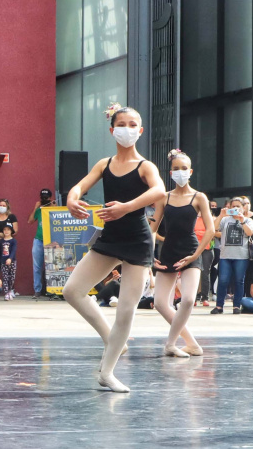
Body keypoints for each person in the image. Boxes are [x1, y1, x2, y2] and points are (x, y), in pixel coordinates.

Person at [62, 102, 165, 393]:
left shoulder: (145, 166)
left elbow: (159, 190)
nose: (128, 130)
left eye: (133, 125)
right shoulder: (104, 164)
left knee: (126, 310)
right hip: (110, 238)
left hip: (138, 239)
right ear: (112, 130)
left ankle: (106, 372)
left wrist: (127, 208)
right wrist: (72, 199)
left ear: (141, 130)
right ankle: (111, 340)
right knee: (72, 290)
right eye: (122, 125)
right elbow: (79, 187)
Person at [148, 149, 213, 357]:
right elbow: (152, 228)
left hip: (190, 251)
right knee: (159, 303)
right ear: (170, 173)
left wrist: (195, 256)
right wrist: (149, 254)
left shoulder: (199, 197)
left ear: (191, 171)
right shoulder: (163, 197)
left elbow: (210, 230)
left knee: (186, 300)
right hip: (167, 251)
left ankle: (170, 343)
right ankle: (191, 343)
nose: (180, 172)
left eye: (184, 168)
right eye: (176, 169)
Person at [212, 198, 253, 315]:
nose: (236, 208)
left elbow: (250, 233)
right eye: (233, 206)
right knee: (223, 280)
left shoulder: (248, 220)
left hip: (241, 256)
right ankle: (219, 306)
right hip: (225, 256)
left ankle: (236, 306)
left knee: (239, 281)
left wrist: (242, 221)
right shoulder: (225, 219)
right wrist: (220, 215)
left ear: (243, 207)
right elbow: (213, 228)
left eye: (238, 206)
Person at [27, 188, 53, 298]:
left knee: (52, 266)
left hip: (51, 240)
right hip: (38, 239)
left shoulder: (53, 208)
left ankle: (51, 290)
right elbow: (30, 221)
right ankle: (37, 290)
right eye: (43, 197)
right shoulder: (40, 209)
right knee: (37, 266)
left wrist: (53, 206)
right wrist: (36, 208)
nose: (44, 199)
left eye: (46, 198)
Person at [0, 224, 18, 301]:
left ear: (11, 231)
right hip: (3, 261)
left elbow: (13, 251)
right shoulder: (1, 241)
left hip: (12, 262)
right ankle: (6, 293)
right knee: (5, 277)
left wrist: (10, 258)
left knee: (12, 277)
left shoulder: (13, 241)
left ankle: (10, 291)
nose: (6, 231)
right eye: (4, 230)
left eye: (8, 230)